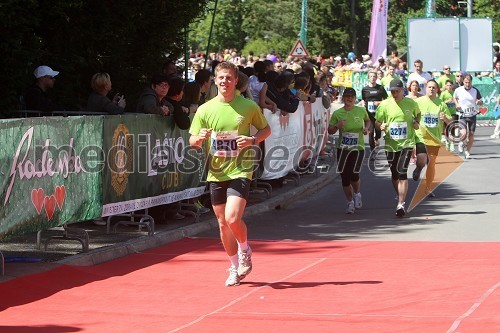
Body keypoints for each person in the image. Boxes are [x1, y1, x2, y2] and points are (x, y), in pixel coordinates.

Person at [188, 62, 271, 287]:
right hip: (216, 172)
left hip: (241, 168)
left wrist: (253, 140)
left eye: (228, 78)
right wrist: (200, 138)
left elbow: (266, 130)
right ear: (215, 81)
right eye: (221, 78)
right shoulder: (205, 109)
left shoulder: (248, 106)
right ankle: (234, 267)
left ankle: (245, 250)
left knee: (233, 217)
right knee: (223, 223)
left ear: (236, 81)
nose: (224, 81)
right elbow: (192, 141)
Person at [375, 79, 421, 217]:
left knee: (402, 172)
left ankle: (401, 204)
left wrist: (416, 121)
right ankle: (400, 195)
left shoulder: (411, 103)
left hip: (406, 143)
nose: (394, 93)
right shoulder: (384, 105)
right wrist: (380, 126)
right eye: (392, 91)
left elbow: (418, 113)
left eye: (397, 91)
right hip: (390, 144)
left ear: (403, 90)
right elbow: (377, 122)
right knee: (395, 174)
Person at [328, 87, 369, 214]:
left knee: (354, 174)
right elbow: (330, 131)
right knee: (345, 177)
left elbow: (368, 121)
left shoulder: (361, 110)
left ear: (355, 99)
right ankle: (350, 202)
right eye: (347, 96)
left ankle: (357, 194)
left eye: (351, 97)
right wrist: (337, 126)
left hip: (358, 147)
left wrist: (366, 129)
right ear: (343, 98)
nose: (349, 98)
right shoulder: (337, 113)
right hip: (343, 148)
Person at [415, 80, 452, 197]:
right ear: (426, 88)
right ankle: (419, 167)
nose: (431, 89)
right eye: (429, 87)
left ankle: (427, 188)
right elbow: (412, 116)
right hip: (421, 136)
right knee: (422, 159)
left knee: (431, 163)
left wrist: (445, 118)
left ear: (437, 90)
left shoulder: (441, 104)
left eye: (434, 88)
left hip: (434, 138)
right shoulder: (419, 102)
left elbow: (450, 121)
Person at [453, 74, 483, 159]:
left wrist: (479, 102)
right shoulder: (458, 90)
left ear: (471, 82)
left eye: (469, 82)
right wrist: (457, 104)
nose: (467, 84)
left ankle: (467, 151)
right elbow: (454, 97)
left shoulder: (475, 90)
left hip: (472, 115)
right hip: (462, 114)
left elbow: (481, 101)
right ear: (463, 81)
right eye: (466, 82)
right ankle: (461, 143)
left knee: (471, 134)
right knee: (463, 133)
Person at [361, 70, 388, 156]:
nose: (372, 78)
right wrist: (363, 103)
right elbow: (363, 99)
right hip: (369, 114)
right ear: (368, 78)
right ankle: (373, 152)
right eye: (371, 76)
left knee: (378, 132)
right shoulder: (365, 89)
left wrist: (379, 103)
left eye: (374, 76)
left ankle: (377, 138)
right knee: (371, 133)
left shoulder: (380, 88)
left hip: (379, 114)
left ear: (376, 78)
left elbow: (386, 99)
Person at [439, 79, 457, 151]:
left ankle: (452, 144)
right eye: (448, 85)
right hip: (446, 113)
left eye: (450, 85)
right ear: (445, 86)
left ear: (452, 86)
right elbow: (440, 103)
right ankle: (447, 142)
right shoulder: (443, 94)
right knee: (446, 129)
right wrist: (447, 101)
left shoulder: (454, 93)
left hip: (453, 113)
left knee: (452, 128)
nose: (449, 87)